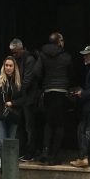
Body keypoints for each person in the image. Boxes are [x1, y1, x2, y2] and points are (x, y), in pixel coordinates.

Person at [36, 31, 72, 165]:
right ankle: (54, 155)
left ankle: (45, 151)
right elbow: (71, 74)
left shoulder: (42, 55)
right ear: (59, 42)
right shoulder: (66, 57)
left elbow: (36, 72)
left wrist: (44, 82)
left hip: (48, 92)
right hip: (61, 92)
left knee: (48, 123)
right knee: (60, 125)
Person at [0, 56, 24, 163]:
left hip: (13, 116)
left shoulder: (18, 82)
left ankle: (10, 169)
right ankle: (4, 169)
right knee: (1, 142)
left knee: (11, 143)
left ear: (14, 67)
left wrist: (13, 103)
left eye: (10, 66)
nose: (8, 68)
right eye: (6, 65)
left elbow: (24, 98)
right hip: (0, 116)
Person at [8, 39, 38, 160]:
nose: (14, 55)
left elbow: (27, 80)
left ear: (21, 49)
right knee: (19, 126)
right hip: (20, 99)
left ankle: (31, 152)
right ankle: (21, 151)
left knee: (29, 127)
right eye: (12, 53)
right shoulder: (17, 60)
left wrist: (16, 92)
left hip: (28, 98)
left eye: (15, 52)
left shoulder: (29, 60)